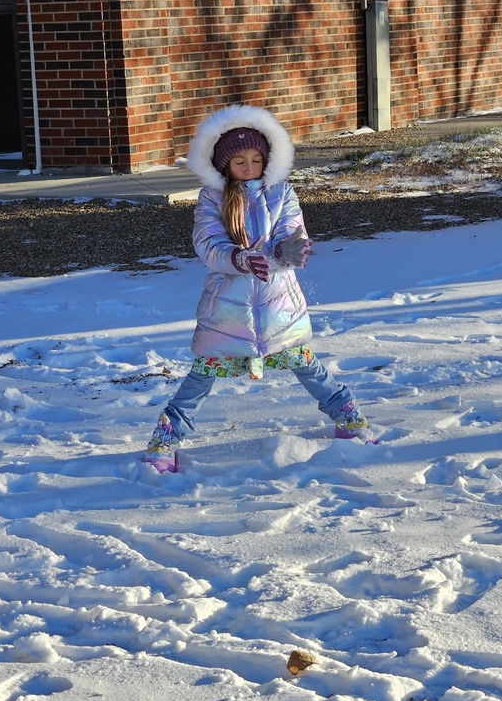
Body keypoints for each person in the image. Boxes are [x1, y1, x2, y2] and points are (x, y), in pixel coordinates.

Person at [142, 104, 372, 473]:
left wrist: (288, 249)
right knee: (201, 375)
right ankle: (165, 442)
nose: (249, 168)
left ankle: (350, 421)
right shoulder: (211, 199)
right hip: (228, 311)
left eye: (256, 159)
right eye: (239, 162)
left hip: (278, 305)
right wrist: (239, 259)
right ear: (223, 166)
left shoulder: (283, 193)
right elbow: (208, 243)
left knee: (306, 364)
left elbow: (290, 230)